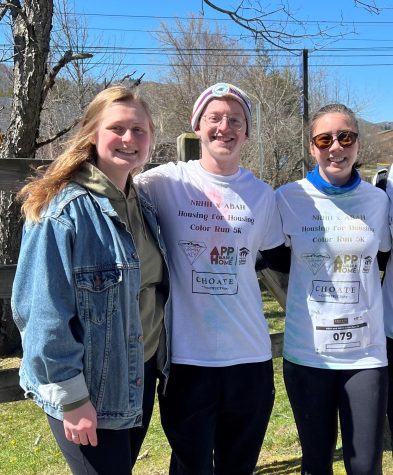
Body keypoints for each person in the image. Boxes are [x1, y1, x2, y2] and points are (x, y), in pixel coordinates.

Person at [11, 85, 170, 474]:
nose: (128, 139)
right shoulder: (62, 210)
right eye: (117, 128)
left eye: (139, 130)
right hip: (89, 390)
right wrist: (72, 398)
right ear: (92, 134)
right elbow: (41, 314)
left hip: (138, 375)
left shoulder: (143, 203)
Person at [135, 82, 285, 475]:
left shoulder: (262, 195)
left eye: (235, 120)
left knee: (239, 466)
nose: (225, 127)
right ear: (197, 126)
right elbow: (111, 185)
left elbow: (267, 257)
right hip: (186, 360)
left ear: (247, 132)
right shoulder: (162, 183)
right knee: (190, 466)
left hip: (250, 358)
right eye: (214, 118)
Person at [276, 103, 391, 475]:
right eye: (324, 139)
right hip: (309, 354)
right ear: (312, 147)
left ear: (358, 145)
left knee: (365, 465)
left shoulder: (378, 201)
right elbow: (270, 258)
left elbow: (384, 257)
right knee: (316, 463)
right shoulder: (289, 198)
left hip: (366, 355)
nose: (335, 147)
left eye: (345, 137)